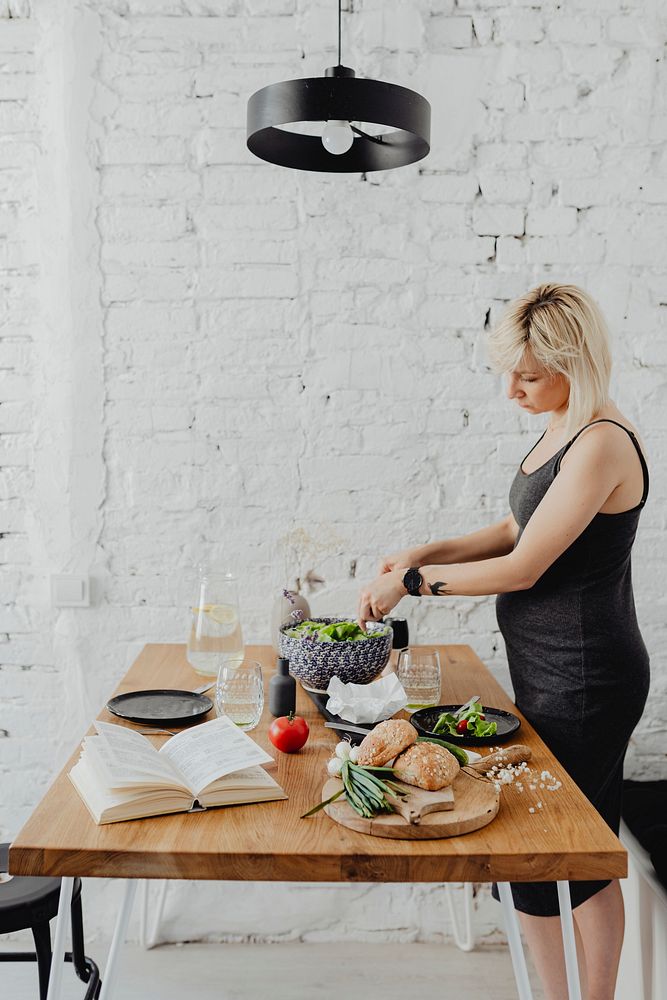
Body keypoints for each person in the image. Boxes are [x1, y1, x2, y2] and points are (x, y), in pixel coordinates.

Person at [357, 283, 650, 1000]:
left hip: (586, 678)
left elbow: (524, 567)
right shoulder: (561, 425)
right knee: (531, 847)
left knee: (574, 850)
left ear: (573, 362)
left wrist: (416, 585)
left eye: (527, 375)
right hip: (546, 670)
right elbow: (516, 528)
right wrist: (430, 550)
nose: (511, 390)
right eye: (507, 373)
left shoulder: (601, 442)